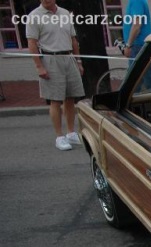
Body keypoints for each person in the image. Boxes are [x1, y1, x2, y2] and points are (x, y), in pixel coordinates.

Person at [25, 0, 85, 151]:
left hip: (68, 57)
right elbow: (32, 43)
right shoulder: (34, 16)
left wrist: (78, 61)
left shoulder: (65, 13)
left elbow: (73, 40)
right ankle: (59, 136)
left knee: (71, 97)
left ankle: (71, 132)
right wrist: (39, 66)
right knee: (55, 100)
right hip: (50, 58)